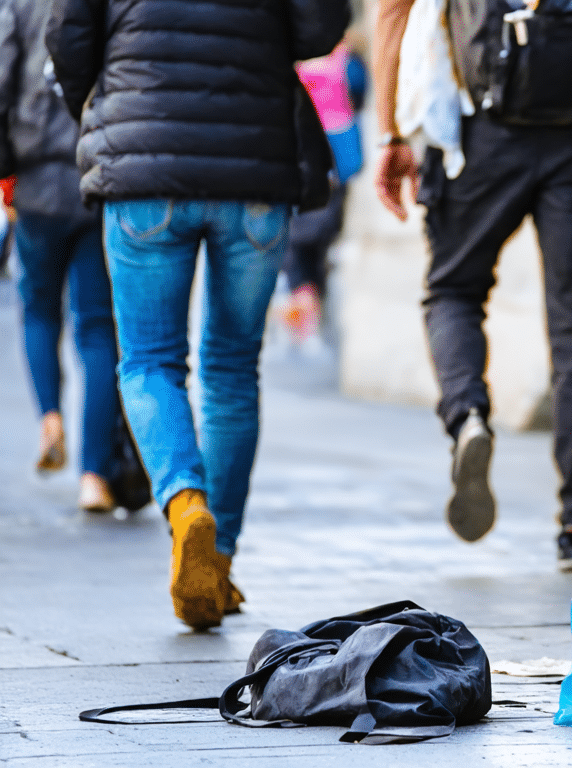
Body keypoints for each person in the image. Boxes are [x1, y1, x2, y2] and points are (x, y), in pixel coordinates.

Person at [46, 0, 349, 630]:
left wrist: (107, 108)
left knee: (151, 360)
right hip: (256, 164)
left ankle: (187, 507)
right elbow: (321, 27)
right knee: (233, 370)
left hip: (143, 160)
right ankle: (222, 559)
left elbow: (67, 38)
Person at [372, 0, 572, 571]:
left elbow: (391, 17)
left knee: (454, 291)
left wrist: (392, 132)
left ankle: (468, 416)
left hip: (482, 136)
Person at [0, 0, 118, 512]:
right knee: (97, 327)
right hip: (97, 177)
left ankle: (50, 417)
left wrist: (7, 174)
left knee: (40, 310)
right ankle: (94, 476)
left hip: (36, 182)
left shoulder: (17, 6)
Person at [282, 36, 367, 341]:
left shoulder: (292, 58)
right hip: (336, 156)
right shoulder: (346, 59)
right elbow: (360, 91)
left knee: (299, 239)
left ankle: (305, 298)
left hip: (304, 156)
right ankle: (309, 298)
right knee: (317, 238)